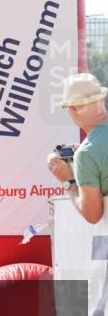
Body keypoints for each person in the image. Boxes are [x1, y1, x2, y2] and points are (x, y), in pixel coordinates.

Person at [47, 72, 108, 223]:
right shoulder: (88, 152)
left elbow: (93, 215)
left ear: (73, 109)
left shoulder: (87, 154)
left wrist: (68, 180)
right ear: (102, 98)